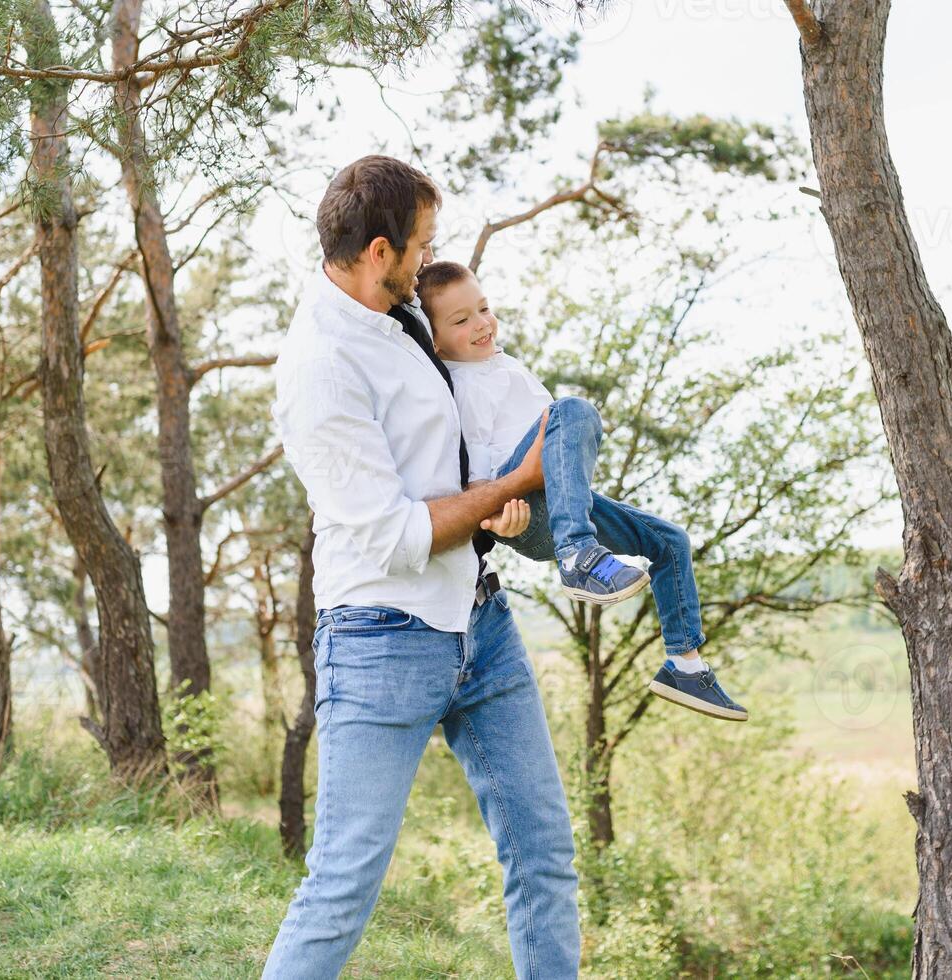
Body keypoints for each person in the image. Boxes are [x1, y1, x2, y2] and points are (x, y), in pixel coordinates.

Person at [262, 155, 581, 979]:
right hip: (381, 642)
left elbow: (451, 447)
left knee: (544, 854)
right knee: (343, 885)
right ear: (378, 250)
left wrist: (505, 505)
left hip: (482, 623)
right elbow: (397, 534)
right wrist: (515, 482)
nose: (428, 256)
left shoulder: (397, 309)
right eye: (421, 243)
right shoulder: (320, 368)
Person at [416, 260, 748, 723]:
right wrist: (493, 514)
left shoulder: (500, 364)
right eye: (461, 320)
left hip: (560, 504)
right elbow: (473, 473)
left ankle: (685, 664)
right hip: (524, 508)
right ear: (435, 340)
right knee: (571, 411)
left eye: (484, 308)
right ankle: (577, 556)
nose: (481, 324)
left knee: (669, 540)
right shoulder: (463, 387)